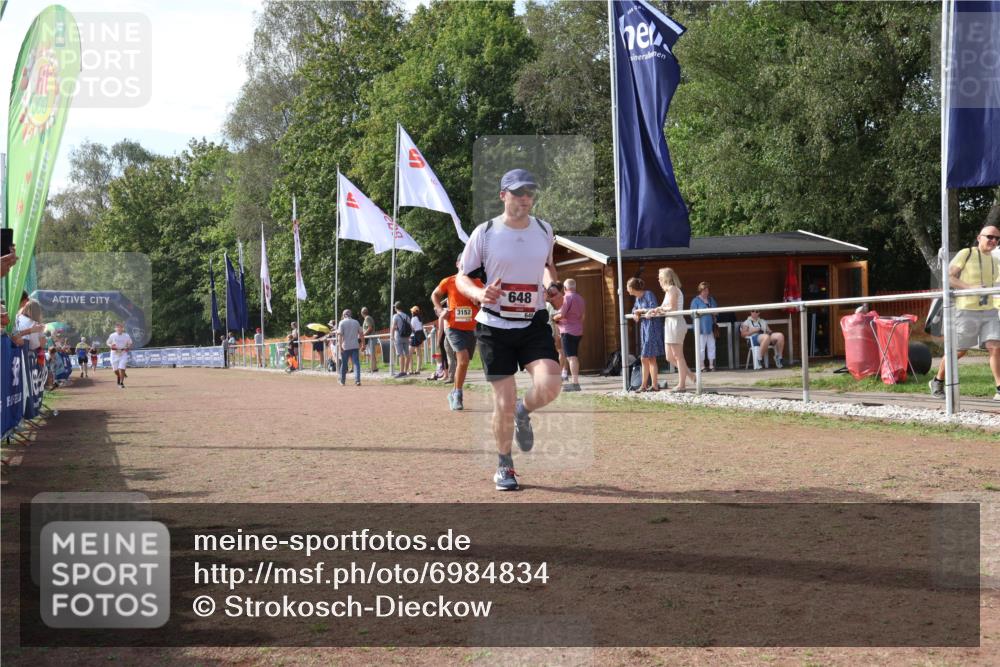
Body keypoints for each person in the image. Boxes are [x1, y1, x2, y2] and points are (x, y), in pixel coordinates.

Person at [457, 168, 561, 491]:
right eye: (518, 193)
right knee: (502, 399)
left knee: (550, 384)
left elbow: (547, 267)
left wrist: (552, 286)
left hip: (532, 322)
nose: (525, 199)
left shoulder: (544, 230)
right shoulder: (485, 232)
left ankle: (523, 411)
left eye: (529, 193)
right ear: (503, 195)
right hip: (493, 327)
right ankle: (505, 465)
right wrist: (478, 293)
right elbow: (462, 276)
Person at [929, 225, 1000, 400]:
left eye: (997, 239)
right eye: (990, 237)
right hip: (967, 310)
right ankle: (938, 380)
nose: (994, 241)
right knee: (959, 351)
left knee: (995, 347)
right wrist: (970, 288)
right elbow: (949, 277)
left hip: (989, 310)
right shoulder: (966, 253)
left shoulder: (995, 260)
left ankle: (999, 388)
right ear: (979, 237)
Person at [432, 253, 484, 410]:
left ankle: (454, 391)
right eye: (463, 263)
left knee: (464, 363)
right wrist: (441, 310)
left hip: (470, 328)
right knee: (463, 360)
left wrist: (478, 302)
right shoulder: (449, 281)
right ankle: (458, 395)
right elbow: (435, 295)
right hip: (453, 327)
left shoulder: (477, 282)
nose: (465, 265)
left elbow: (484, 302)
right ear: (457, 264)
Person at [643, 267, 696, 392]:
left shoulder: (672, 289)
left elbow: (672, 308)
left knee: (678, 356)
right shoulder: (668, 291)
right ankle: (690, 375)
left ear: (666, 278)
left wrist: (659, 310)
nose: (659, 281)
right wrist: (654, 310)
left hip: (676, 323)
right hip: (670, 323)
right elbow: (663, 306)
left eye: (660, 278)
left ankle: (682, 384)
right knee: (669, 357)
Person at [628, 277, 664, 391]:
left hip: (652, 327)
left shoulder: (648, 294)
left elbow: (653, 307)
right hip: (644, 328)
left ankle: (653, 385)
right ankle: (645, 385)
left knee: (649, 357)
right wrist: (635, 312)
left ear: (632, 288)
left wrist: (640, 311)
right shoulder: (637, 298)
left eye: (627, 287)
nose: (627, 289)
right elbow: (635, 309)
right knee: (646, 358)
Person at [552, 277, 585, 391]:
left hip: (568, 331)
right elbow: (583, 316)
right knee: (574, 357)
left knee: (571, 358)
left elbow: (562, 314)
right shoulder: (580, 298)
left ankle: (575, 384)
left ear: (565, 288)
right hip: (578, 330)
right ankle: (575, 382)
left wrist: (554, 317)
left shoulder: (567, 298)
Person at [690, 281, 718, 372]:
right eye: (704, 290)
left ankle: (711, 365)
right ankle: (702, 366)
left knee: (712, 346)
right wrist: (704, 311)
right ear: (700, 291)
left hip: (710, 327)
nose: (706, 292)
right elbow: (692, 314)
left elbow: (716, 311)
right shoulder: (695, 301)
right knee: (701, 347)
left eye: (707, 290)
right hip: (701, 328)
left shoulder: (711, 299)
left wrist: (713, 312)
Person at [545, 282, 567, 380]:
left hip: (553, 330)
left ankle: (561, 372)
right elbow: (555, 318)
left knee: (560, 352)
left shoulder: (548, 302)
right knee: (560, 352)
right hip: (554, 330)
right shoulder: (552, 303)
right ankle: (560, 373)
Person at [336, 309, 363, 386]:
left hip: (345, 346)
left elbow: (340, 336)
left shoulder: (342, 322)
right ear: (350, 315)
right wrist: (363, 344)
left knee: (344, 364)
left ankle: (342, 381)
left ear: (344, 315)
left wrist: (340, 346)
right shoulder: (356, 322)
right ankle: (357, 380)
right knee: (356, 363)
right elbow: (361, 334)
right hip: (355, 346)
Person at [106, 322, 133, 388]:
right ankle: (121, 375)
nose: (119, 329)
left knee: (121, 368)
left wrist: (128, 347)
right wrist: (111, 345)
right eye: (117, 327)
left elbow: (130, 343)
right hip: (114, 353)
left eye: (120, 327)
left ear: (122, 329)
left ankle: (121, 383)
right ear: (115, 329)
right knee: (115, 370)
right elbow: (107, 342)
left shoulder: (126, 336)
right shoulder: (112, 335)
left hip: (123, 353)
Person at [390, 301, 412, 378]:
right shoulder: (407, 316)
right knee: (407, 354)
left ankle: (401, 371)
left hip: (398, 337)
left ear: (396, 308)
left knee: (400, 354)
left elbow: (393, 327)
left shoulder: (395, 316)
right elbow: (410, 327)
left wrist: (392, 336)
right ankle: (405, 371)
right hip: (406, 337)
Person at [361, 307, 379, 373]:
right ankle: (374, 367)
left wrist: (363, 335)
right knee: (370, 353)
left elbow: (370, 328)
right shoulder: (368, 318)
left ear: (362, 313)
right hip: (369, 338)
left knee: (371, 353)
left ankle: (373, 368)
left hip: (371, 338)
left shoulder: (367, 318)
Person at [409, 306, 425, 374]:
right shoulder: (420, 319)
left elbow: (412, 328)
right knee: (418, 353)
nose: (411, 312)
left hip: (414, 336)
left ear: (414, 312)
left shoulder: (413, 318)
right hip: (420, 336)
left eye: (412, 311)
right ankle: (418, 370)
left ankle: (411, 370)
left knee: (409, 354)